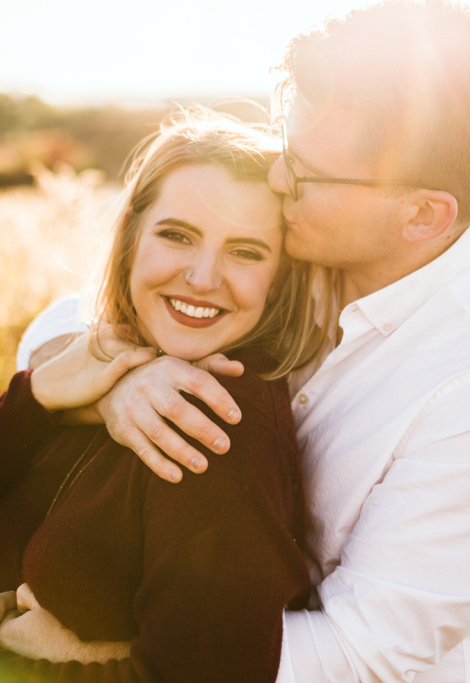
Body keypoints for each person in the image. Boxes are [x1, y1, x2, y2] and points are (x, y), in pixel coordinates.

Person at [16, 2, 470, 681]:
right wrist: (124, 380)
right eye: (284, 145)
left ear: (423, 215)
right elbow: (70, 315)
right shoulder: (302, 238)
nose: (278, 179)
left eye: (304, 172)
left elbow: (367, 651)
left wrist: (75, 661)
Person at [0, 109, 330, 682]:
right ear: (131, 233)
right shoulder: (100, 359)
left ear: (280, 276)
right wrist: (43, 394)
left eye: (246, 251)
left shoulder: (215, 422)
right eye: (177, 235)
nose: (202, 278)